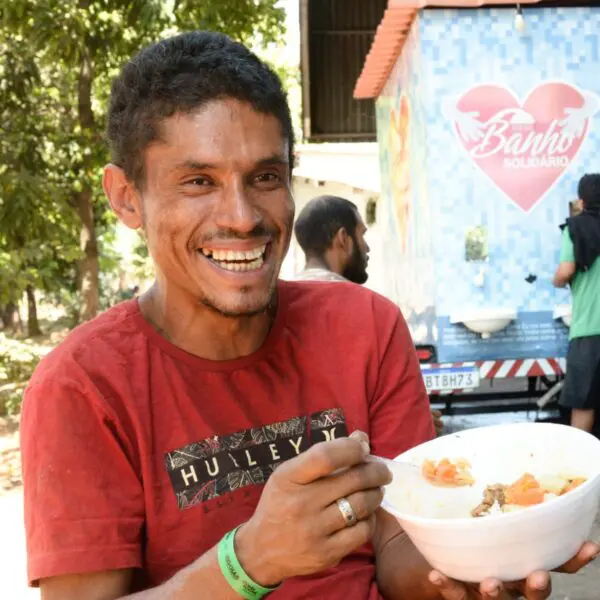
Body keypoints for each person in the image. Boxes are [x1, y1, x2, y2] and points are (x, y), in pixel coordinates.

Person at [20, 31, 596, 600]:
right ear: (125, 197)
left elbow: (398, 548)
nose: (243, 217)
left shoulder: (365, 328)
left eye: (265, 177)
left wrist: (475, 564)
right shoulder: (83, 388)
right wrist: (249, 561)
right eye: (198, 181)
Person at [293, 195, 443, 437]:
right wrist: (414, 420)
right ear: (343, 239)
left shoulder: (273, 310)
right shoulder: (375, 313)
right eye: (361, 234)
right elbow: (404, 441)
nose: (367, 246)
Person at [553, 174, 600, 433]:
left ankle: (584, 469)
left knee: (583, 403)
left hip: (589, 331)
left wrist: (556, 281)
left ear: (582, 201)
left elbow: (566, 270)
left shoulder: (575, 228)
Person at [294, 195, 369, 284]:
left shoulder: (280, 295)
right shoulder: (363, 297)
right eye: (362, 235)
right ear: (343, 238)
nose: (367, 248)